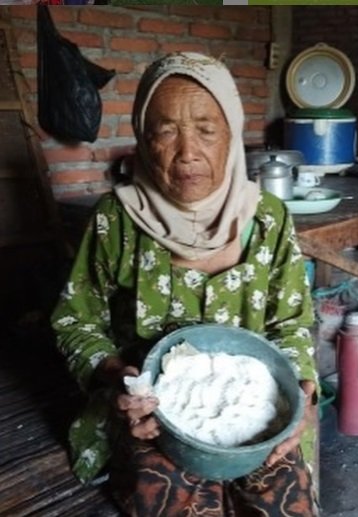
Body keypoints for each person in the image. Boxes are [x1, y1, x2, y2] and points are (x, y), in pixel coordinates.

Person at [52, 52, 319, 516]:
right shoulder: (115, 220)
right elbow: (75, 319)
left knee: (282, 497)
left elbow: (292, 325)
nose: (188, 151)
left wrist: (302, 395)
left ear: (231, 135)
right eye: (166, 130)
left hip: (254, 407)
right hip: (151, 415)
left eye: (206, 129)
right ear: (142, 138)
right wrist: (120, 380)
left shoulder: (269, 220)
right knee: (172, 499)